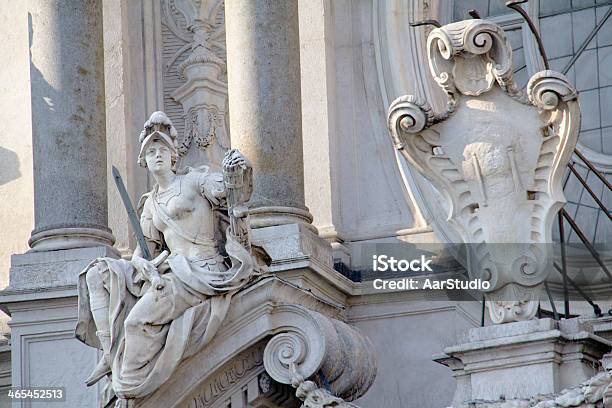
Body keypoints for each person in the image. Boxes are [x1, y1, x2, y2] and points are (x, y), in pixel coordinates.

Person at [75, 111, 259, 404]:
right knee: (97, 272)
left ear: (174, 156)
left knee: (135, 324)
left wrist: (237, 172)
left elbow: (230, 192)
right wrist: (141, 264)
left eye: (162, 150)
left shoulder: (196, 181)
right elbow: (141, 250)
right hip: (171, 272)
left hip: (202, 270)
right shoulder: (150, 204)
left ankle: (130, 387)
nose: (157, 155)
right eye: (151, 151)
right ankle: (110, 352)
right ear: (144, 161)